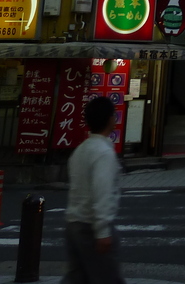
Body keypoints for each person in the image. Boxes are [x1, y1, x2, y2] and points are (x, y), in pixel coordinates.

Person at [63, 96, 124, 284]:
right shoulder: (104, 153)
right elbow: (102, 193)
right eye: (114, 115)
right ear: (109, 119)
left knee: (77, 278)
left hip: (74, 223)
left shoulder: (81, 150)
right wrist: (103, 231)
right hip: (91, 227)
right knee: (107, 278)